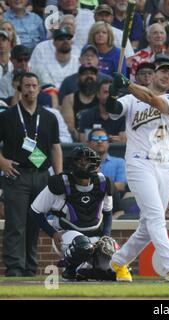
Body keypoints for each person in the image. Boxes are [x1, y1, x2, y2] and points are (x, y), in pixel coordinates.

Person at [105, 61, 169, 281]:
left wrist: (127, 84)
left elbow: (153, 100)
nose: (166, 76)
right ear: (153, 74)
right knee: (155, 216)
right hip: (138, 163)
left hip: (163, 165)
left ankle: (118, 261)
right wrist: (113, 94)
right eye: (163, 71)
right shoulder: (131, 99)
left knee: (148, 224)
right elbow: (113, 110)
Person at [0, 72, 63, 277]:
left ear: (39, 88)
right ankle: (15, 268)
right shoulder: (7, 116)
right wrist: (2, 162)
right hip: (17, 174)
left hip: (42, 175)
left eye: (34, 85)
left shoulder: (49, 116)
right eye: (26, 85)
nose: (30, 89)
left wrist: (58, 176)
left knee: (35, 223)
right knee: (16, 224)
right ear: (19, 88)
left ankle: (30, 267)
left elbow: (55, 147)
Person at [30, 146, 122, 281]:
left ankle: (88, 271)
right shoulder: (59, 183)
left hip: (95, 235)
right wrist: (52, 233)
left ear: (95, 164)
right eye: (79, 161)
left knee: (111, 265)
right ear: (72, 163)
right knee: (82, 245)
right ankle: (70, 270)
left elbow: (107, 213)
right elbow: (34, 211)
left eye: (87, 160)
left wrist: (106, 237)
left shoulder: (104, 183)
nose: (83, 164)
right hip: (66, 235)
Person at [61, 64, 99, 141]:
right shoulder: (69, 99)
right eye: (85, 74)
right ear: (78, 78)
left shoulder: (101, 97)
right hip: (77, 142)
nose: (89, 76)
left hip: (100, 139)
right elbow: (70, 127)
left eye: (92, 73)